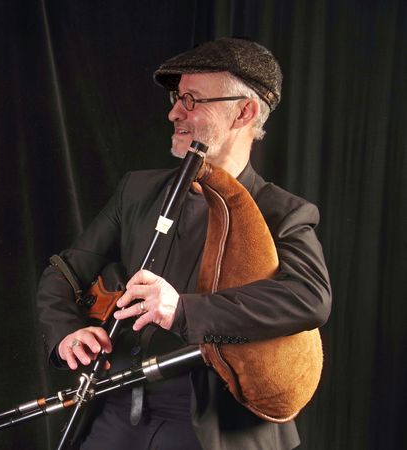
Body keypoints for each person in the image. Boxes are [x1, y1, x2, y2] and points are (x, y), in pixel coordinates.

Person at [36, 38, 332, 449]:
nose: (174, 112)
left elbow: (310, 297)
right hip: (116, 411)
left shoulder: (282, 211)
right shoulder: (137, 190)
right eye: (178, 98)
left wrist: (183, 310)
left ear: (244, 112)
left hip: (216, 424)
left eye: (192, 100)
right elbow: (64, 272)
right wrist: (66, 331)